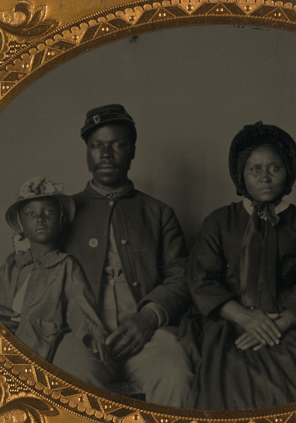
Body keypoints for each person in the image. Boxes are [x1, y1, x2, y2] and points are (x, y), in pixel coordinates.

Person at [181, 121, 296, 410]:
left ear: (288, 174)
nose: (265, 177)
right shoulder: (219, 221)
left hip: (287, 322)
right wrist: (244, 317)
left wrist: (283, 322)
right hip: (230, 321)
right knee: (229, 382)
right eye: (255, 169)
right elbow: (202, 279)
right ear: (241, 175)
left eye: (274, 168)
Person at [52, 104, 193, 406]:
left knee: (175, 375)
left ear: (132, 151)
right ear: (87, 152)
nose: (106, 153)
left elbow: (181, 278)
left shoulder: (158, 212)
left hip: (148, 334)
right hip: (81, 335)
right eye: (97, 145)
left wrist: (147, 317)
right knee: (70, 380)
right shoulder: (63, 212)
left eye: (118, 144)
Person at [0, 177, 109, 370]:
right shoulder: (13, 262)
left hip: (36, 346)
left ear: (60, 220)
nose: (40, 219)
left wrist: (93, 335)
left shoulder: (65, 266)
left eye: (49, 212)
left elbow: (79, 305)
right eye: (31, 214)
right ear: (21, 224)